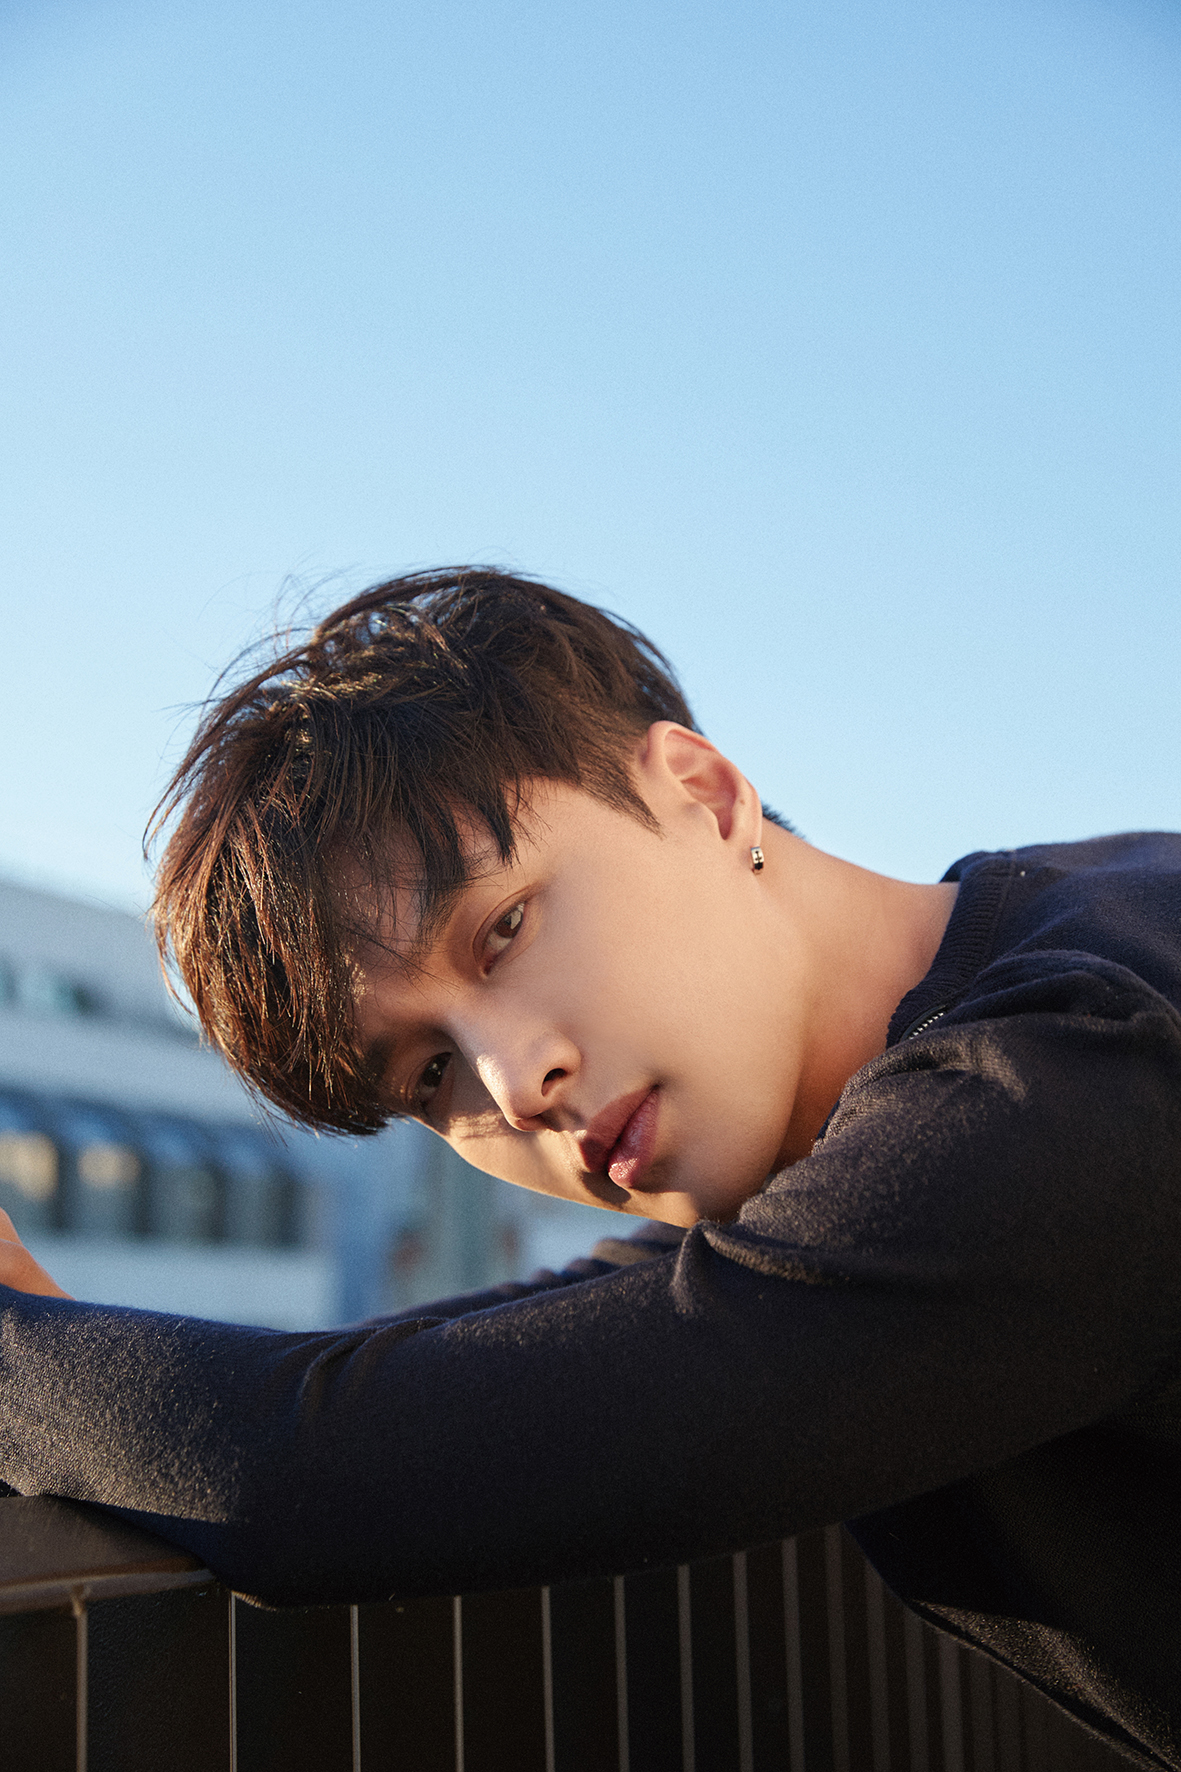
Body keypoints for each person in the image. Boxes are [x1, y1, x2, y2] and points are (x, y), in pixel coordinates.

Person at [0, 568, 1179, 1769]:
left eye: (504, 928)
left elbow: (346, 1467)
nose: (512, 1084)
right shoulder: (1063, 936)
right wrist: (52, 1338)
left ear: (702, 793)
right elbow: (496, 1353)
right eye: (428, 1074)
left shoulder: (1057, 1085)